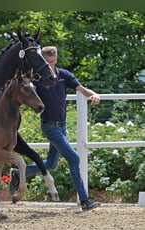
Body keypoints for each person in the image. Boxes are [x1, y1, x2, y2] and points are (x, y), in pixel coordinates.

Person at [9, 46, 101, 211]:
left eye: (53, 61)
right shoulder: (38, 79)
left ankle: (18, 173)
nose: (51, 64)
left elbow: (81, 89)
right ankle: (85, 200)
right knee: (74, 158)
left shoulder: (64, 75)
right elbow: (25, 90)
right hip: (49, 126)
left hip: (62, 126)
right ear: (43, 60)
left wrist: (93, 94)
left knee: (51, 164)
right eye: (48, 61)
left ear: (56, 58)